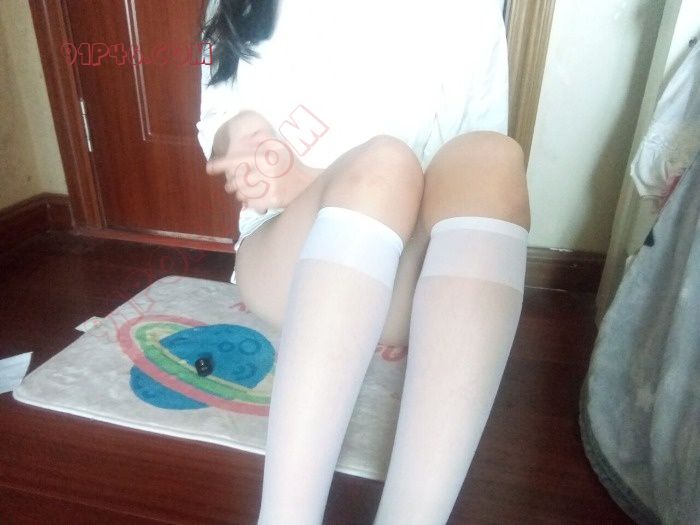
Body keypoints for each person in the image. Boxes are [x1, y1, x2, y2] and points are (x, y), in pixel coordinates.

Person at [197, 1, 531, 523]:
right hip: (290, 255)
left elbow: (468, 164)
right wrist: (243, 139)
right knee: (384, 165)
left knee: (493, 155)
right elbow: (219, 122)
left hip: (408, 273)